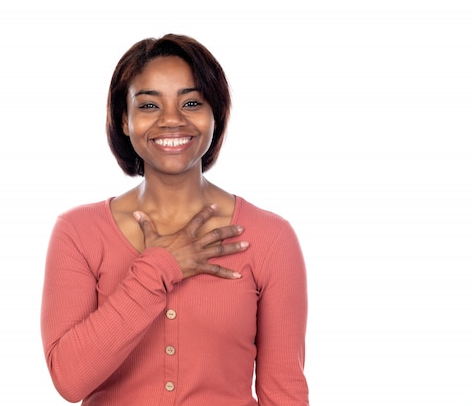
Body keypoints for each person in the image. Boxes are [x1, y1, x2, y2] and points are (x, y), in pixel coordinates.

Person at [40, 34, 309, 406]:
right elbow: (69, 380)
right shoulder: (78, 233)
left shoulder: (270, 238)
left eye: (192, 102)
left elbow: (285, 394)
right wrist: (159, 268)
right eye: (149, 104)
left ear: (216, 113)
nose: (171, 120)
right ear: (124, 118)